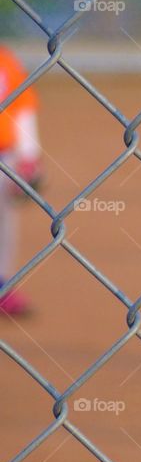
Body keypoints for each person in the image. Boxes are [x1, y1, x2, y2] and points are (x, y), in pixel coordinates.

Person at [0, 45, 43, 317]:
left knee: (5, 223)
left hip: (4, 155)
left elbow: (24, 107)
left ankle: (3, 284)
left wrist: (29, 155)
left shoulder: (5, 60)